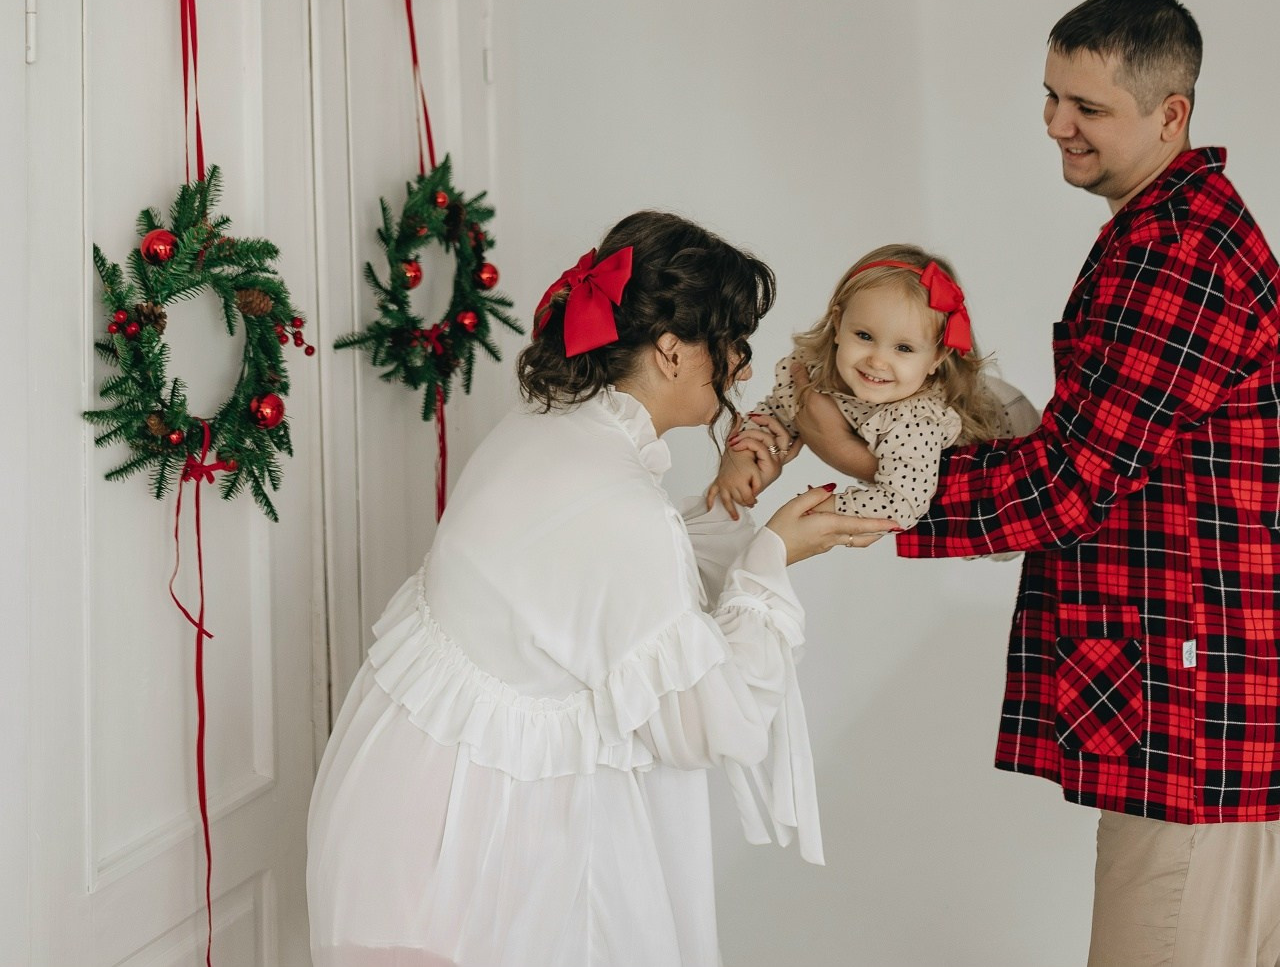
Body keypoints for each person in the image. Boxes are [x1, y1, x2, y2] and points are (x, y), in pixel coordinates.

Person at [768, 0, 1280, 967]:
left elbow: (1070, 481)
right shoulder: (1158, 229)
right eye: (1050, 95)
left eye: (1086, 106)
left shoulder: (1175, 251)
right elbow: (1103, 450)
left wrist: (872, 477)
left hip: (1192, 713)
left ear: (1169, 114)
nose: (1055, 124)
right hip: (1189, 699)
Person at [307, 210, 893, 967]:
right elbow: (706, 724)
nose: (744, 370)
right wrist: (772, 555)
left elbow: (610, 590)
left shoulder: (548, 427)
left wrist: (733, 508)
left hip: (414, 810)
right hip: (471, 853)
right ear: (673, 351)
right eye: (734, 344)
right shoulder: (617, 503)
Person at [708, 242, 1029, 528]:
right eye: (864, 336)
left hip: (1015, 447)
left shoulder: (916, 420)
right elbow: (774, 415)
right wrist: (739, 459)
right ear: (838, 324)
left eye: (903, 348)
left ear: (937, 357)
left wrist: (824, 509)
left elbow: (901, 504)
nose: (877, 361)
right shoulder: (814, 371)